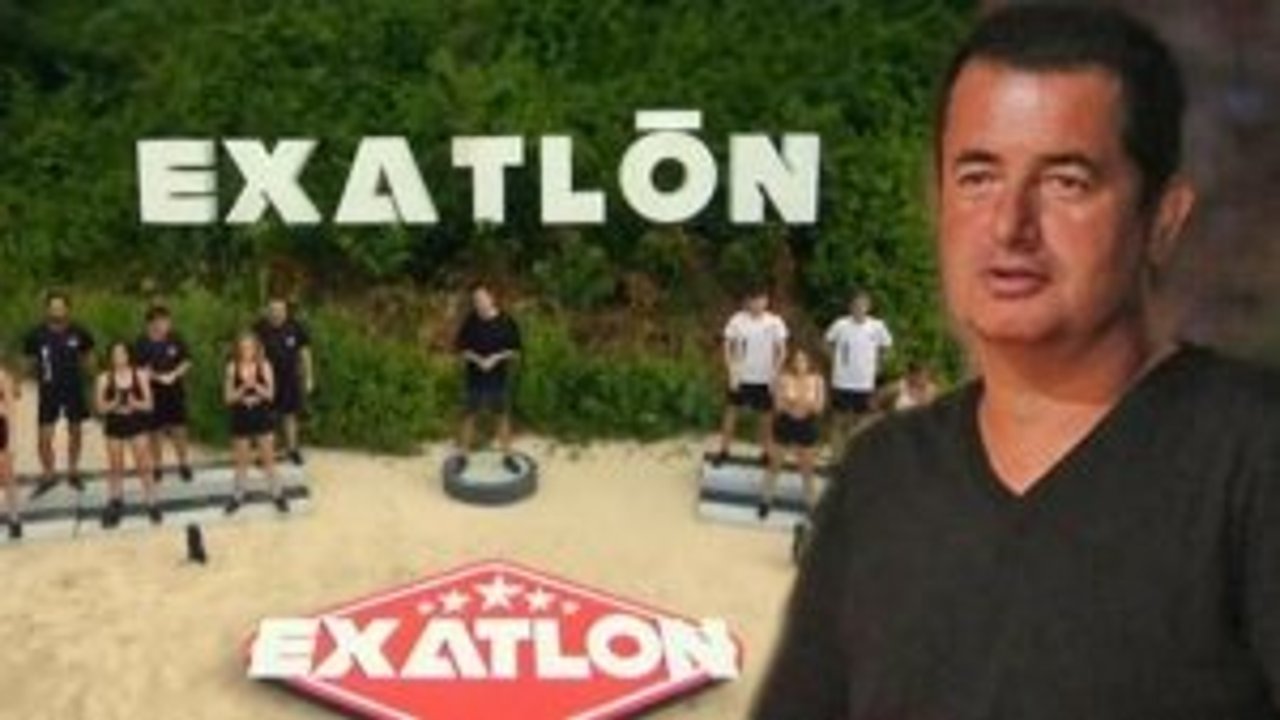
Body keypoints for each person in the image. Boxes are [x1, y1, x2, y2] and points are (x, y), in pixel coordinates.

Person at [754, 6, 1280, 719]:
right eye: (978, 177)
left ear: (1163, 218)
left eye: (1066, 181)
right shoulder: (883, 477)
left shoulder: (1250, 459)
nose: (1009, 226)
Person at [23, 291, 95, 497]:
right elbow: (27, 361)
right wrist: (23, 381)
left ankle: (73, 471)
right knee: (44, 438)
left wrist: (91, 377)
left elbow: (89, 354)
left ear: (67, 309)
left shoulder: (79, 331)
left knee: (76, 432)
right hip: (49, 392)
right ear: (47, 309)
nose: (57, 310)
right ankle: (49, 474)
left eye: (61, 306)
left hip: (73, 390)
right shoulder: (36, 334)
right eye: (53, 306)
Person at [712, 289, 788, 466]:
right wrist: (731, 371)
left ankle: (766, 454)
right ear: (747, 301)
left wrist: (775, 375)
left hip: (764, 379)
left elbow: (782, 351)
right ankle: (724, 451)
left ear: (766, 301)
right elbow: (727, 346)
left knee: (766, 419)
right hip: (740, 377)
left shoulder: (775, 322)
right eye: (753, 300)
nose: (757, 304)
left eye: (761, 299)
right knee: (730, 414)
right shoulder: (737, 320)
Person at [454, 283, 523, 473]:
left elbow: (516, 352)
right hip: (474, 378)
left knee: (502, 417)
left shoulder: (506, 321)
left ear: (492, 298)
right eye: (475, 300)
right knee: (468, 416)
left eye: (482, 298)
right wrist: (477, 359)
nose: (479, 303)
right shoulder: (470, 321)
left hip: (498, 379)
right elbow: (460, 349)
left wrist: (496, 358)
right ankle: (462, 457)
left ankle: (508, 457)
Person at [95, 342, 161, 528]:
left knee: (143, 463)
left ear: (128, 355)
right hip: (115, 425)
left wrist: (134, 404)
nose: (119, 357)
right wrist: (115, 403)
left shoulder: (139, 375)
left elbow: (149, 405)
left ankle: (152, 502)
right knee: (115, 465)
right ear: (110, 357)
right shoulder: (103, 378)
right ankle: (116, 500)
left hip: (136, 423)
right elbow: (100, 408)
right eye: (115, 354)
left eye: (122, 353)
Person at [224, 333, 288, 515]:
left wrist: (256, 387)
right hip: (241, 416)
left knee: (268, 458)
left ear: (256, 348)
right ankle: (238, 496)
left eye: (250, 347)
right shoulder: (232, 367)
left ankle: (277, 494)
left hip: (262, 416)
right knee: (241, 460)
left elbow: (271, 395)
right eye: (243, 347)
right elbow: (228, 398)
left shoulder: (265, 365)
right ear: (238, 349)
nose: (247, 351)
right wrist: (243, 389)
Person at [761, 347, 826, 520]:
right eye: (796, 360)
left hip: (807, 426)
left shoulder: (818, 380)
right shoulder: (784, 378)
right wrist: (799, 404)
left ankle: (811, 505)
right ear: (792, 363)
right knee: (775, 465)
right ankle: (766, 500)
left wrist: (795, 403)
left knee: (807, 470)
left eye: (803, 360)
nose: (800, 364)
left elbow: (819, 407)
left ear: (809, 363)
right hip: (785, 424)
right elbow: (778, 406)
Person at [823, 290, 892, 448]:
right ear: (850, 306)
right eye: (856, 305)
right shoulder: (840, 324)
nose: (859, 308)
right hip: (841, 381)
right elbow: (826, 341)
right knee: (838, 419)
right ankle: (836, 454)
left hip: (864, 382)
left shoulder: (877, 326)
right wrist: (834, 359)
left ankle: (855, 453)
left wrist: (880, 364)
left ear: (868, 307)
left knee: (861, 421)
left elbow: (887, 346)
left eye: (862, 305)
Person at [134, 304, 193, 482]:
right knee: (155, 431)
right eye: (162, 321)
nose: (166, 324)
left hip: (175, 391)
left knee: (179, 429)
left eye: (167, 321)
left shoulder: (175, 338)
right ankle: (158, 465)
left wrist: (174, 374)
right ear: (151, 323)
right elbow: (139, 368)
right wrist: (158, 377)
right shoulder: (142, 343)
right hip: (152, 392)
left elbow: (187, 361)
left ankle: (184, 463)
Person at [253, 297, 313, 466]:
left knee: (290, 415)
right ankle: (265, 454)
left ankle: (292, 450)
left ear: (286, 311)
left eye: (279, 310)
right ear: (267, 311)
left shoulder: (295, 326)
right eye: (272, 309)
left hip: (290, 379)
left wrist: (309, 377)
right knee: (266, 417)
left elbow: (305, 353)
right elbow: (251, 350)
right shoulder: (260, 327)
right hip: (266, 379)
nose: (276, 313)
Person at [0, 363, 19, 539]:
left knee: (7, 475)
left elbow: (11, 408)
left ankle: (14, 519)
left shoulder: (3, 376)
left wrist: (13, 439)